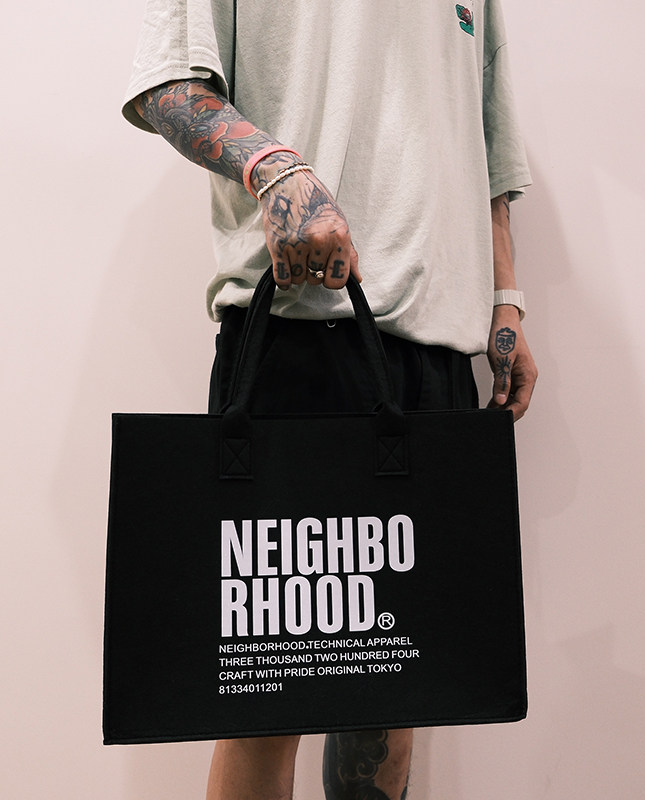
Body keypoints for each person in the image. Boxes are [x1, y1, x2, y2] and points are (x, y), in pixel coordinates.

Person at [123, 1, 537, 797]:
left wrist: (505, 297)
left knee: (393, 701)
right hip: (296, 331)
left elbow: (489, 146)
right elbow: (167, 85)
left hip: (438, 351)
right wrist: (274, 167)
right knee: (263, 700)